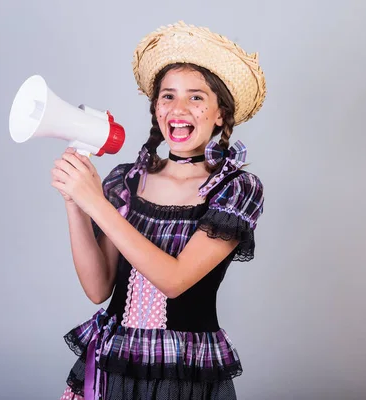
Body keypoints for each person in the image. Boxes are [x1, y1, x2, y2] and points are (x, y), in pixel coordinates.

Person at [51, 21, 267, 400]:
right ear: (155, 107)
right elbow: (98, 288)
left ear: (220, 114)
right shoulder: (126, 181)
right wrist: (76, 202)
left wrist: (97, 205)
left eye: (196, 97)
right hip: (114, 363)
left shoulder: (236, 189)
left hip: (184, 373)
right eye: (168, 96)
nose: (178, 108)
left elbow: (175, 279)